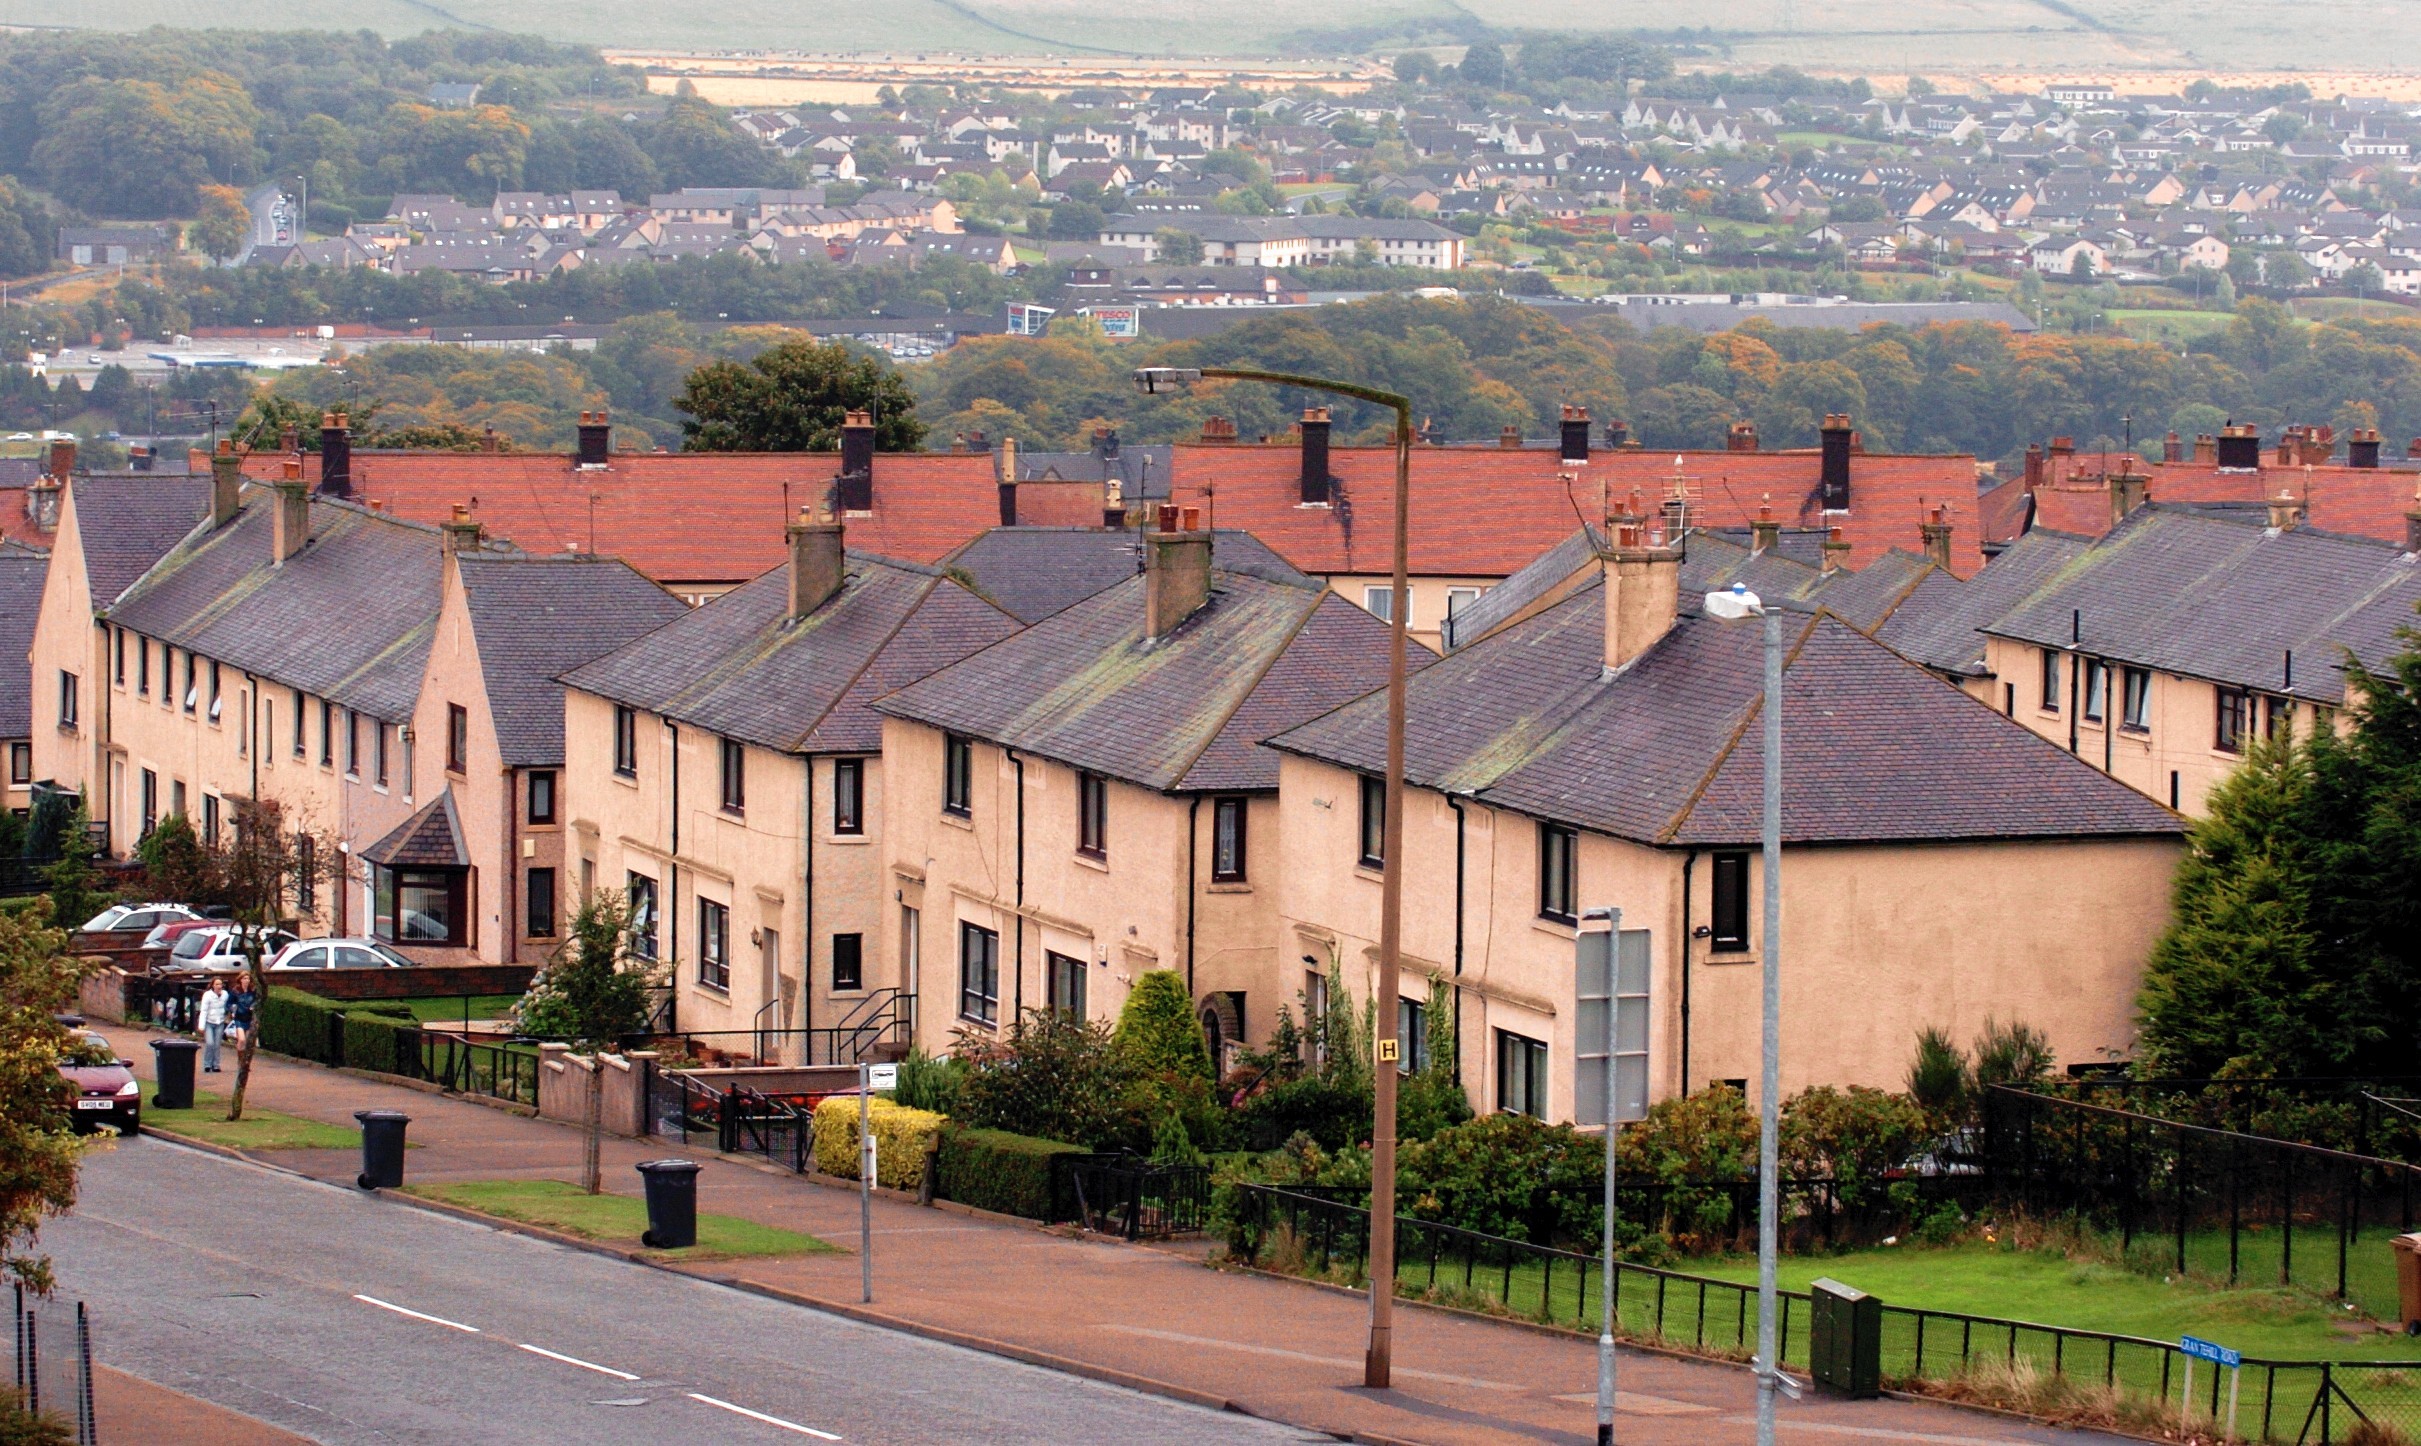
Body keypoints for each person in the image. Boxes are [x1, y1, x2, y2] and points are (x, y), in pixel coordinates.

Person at [195, 976, 230, 1073]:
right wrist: (201, 1026)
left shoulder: (225, 994)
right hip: (209, 1022)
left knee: (217, 1044)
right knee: (210, 1043)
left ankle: (216, 1065)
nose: (219, 986)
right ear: (213, 986)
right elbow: (204, 1010)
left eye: (220, 984)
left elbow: (228, 1005)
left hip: (220, 1022)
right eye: (217, 984)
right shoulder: (207, 995)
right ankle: (207, 1064)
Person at [225, 973, 259, 1060]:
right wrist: (233, 1008)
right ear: (240, 980)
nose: (246, 980)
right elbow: (228, 1003)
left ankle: (246, 1060)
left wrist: (253, 1006)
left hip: (249, 1018)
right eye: (244, 978)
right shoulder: (235, 991)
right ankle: (240, 1060)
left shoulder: (252, 991)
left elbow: (257, 1000)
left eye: (248, 979)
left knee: (248, 1042)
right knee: (241, 1039)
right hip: (239, 1018)